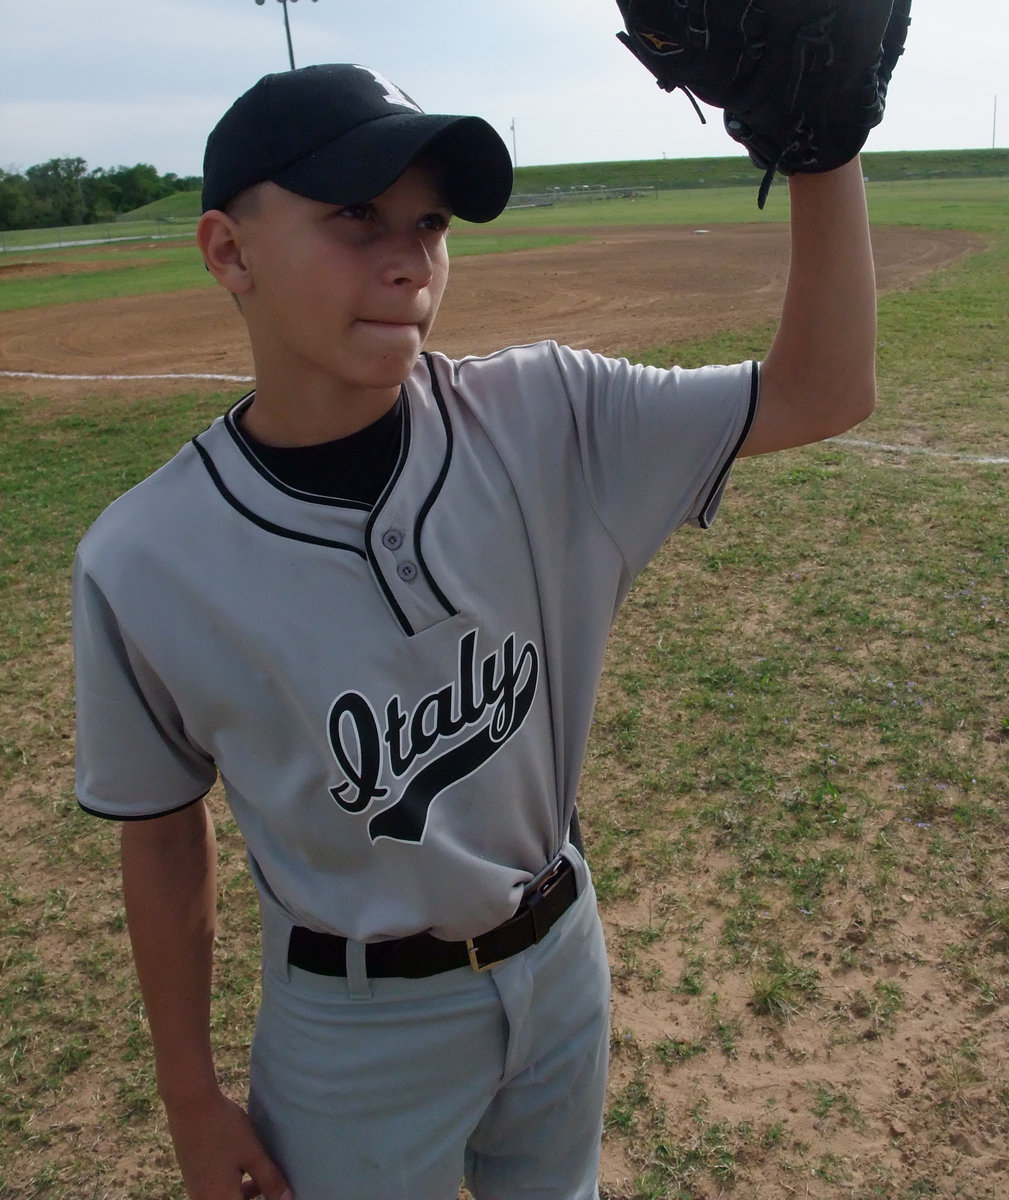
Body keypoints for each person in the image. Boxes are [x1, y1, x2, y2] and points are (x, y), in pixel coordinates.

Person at [72, 62, 877, 1200]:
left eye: (430, 222)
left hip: (559, 958)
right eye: (355, 216)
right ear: (227, 251)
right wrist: (191, 1100)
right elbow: (158, 834)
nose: (407, 259)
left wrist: (824, 147)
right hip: (347, 1032)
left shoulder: (549, 417)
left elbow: (823, 389)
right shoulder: (143, 557)